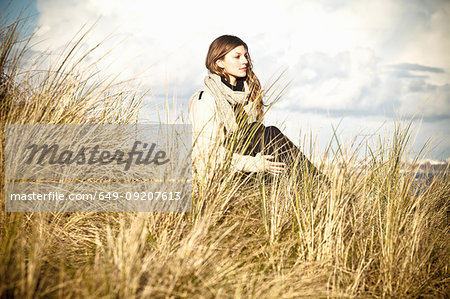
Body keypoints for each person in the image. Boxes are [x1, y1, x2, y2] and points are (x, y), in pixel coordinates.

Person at [188, 35, 320, 182]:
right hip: (220, 177)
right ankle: (320, 186)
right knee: (267, 134)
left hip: (250, 169)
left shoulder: (247, 98)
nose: (245, 61)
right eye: (237, 57)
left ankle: (316, 189)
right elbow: (206, 154)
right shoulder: (205, 100)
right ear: (219, 62)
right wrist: (254, 163)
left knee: (265, 133)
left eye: (245, 56)